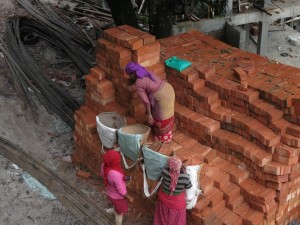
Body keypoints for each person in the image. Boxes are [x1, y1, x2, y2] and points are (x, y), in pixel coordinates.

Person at [125, 62, 175, 143]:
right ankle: (168, 132)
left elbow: (146, 101)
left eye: (129, 75)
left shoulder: (138, 82)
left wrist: (149, 115)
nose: (129, 77)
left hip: (162, 96)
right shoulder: (146, 71)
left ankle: (163, 138)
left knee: (161, 117)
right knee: (168, 111)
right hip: (168, 89)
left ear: (133, 73)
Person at [153, 156, 192, 225]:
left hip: (163, 198)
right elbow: (189, 186)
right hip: (177, 203)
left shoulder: (164, 171)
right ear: (180, 166)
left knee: (163, 217)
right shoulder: (185, 177)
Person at [101, 149, 134, 225]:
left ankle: (113, 210)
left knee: (115, 205)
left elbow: (104, 175)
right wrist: (129, 197)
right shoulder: (116, 175)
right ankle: (118, 223)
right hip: (117, 198)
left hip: (109, 193)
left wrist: (123, 178)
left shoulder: (104, 165)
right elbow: (121, 191)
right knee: (120, 213)